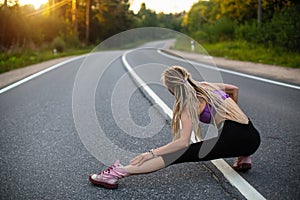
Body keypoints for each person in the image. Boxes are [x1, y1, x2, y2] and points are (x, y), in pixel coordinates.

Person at [89, 66, 261, 189]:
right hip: (253, 139)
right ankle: (244, 157)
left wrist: (150, 153)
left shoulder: (187, 105)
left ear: (172, 90)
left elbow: (182, 143)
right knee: (234, 134)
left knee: (175, 155)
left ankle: (115, 174)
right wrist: (233, 113)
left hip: (233, 141)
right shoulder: (207, 86)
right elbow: (234, 89)